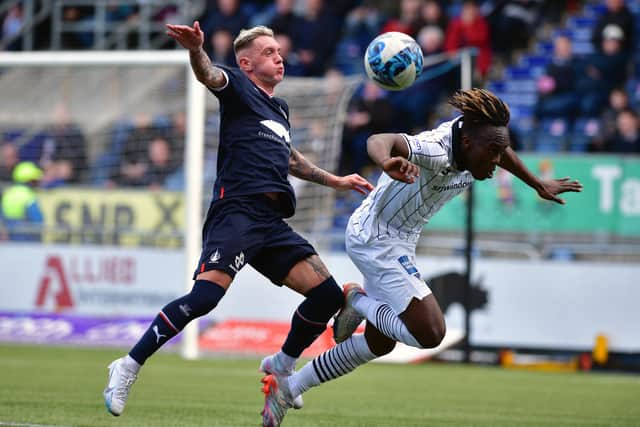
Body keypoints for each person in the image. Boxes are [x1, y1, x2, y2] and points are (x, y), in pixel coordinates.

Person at [102, 22, 373, 425]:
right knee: (204, 299)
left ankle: (281, 366)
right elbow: (207, 74)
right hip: (237, 213)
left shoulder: (279, 109)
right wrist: (197, 49)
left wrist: (335, 180)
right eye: (268, 53)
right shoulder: (236, 86)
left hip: (271, 221)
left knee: (328, 296)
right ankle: (127, 364)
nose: (278, 57)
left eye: (279, 51)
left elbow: (291, 159)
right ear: (246, 63)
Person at [260, 89, 583, 426]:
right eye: (492, 153)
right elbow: (380, 139)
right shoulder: (436, 149)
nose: (496, 161)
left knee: (378, 344)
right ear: (470, 144)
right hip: (377, 238)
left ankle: (288, 387)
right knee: (429, 332)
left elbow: (502, 150)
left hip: (399, 239)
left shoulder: (480, 142)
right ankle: (357, 301)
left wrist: (536, 184)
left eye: (499, 151)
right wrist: (386, 161)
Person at [0, 161, 44, 241]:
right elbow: (37, 220)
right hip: (27, 238)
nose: (37, 184)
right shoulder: (28, 195)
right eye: (34, 181)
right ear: (28, 180)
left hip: (9, 240)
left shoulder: (7, 193)